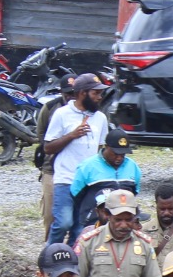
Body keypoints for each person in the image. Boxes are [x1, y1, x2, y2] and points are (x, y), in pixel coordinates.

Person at [44, 73, 107, 244]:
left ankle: (71, 263)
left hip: (88, 182)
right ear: (82, 93)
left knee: (80, 227)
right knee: (63, 222)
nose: (99, 97)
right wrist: (71, 135)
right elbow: (48, 147)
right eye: (95, 93)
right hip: (66, 179)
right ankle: (50, 257)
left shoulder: (101, 118)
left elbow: (100, 150)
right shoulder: (62, 114)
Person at [70, 130, 143, 235]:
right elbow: (76, 194)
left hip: (123, 226)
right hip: (94, 224)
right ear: (106, 147)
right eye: (116, 153)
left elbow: (134, 192)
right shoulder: (87, 167)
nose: (119, 157)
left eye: (123, 154)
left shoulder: (133, 167)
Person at [36, 75, 78, 239]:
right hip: (51, 168)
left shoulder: (86, 111)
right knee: (51, 215)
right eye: (68, 93)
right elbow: (41, 133)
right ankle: (50, 251)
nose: (71, 97)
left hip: (75, 169)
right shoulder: (50, 108)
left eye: (74, 93)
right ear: (61, 92)